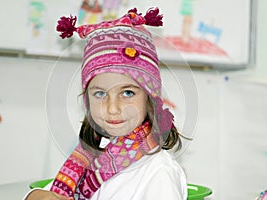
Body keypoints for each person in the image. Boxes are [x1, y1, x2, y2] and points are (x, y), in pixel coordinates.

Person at [24, 7, 188, 200]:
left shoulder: (159, 172)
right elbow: (48, 194)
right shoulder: (88, 158)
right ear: (87, 100)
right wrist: (35, 196)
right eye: (100, 93)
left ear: (150, 99)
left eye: (127, 93)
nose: (112, 108)